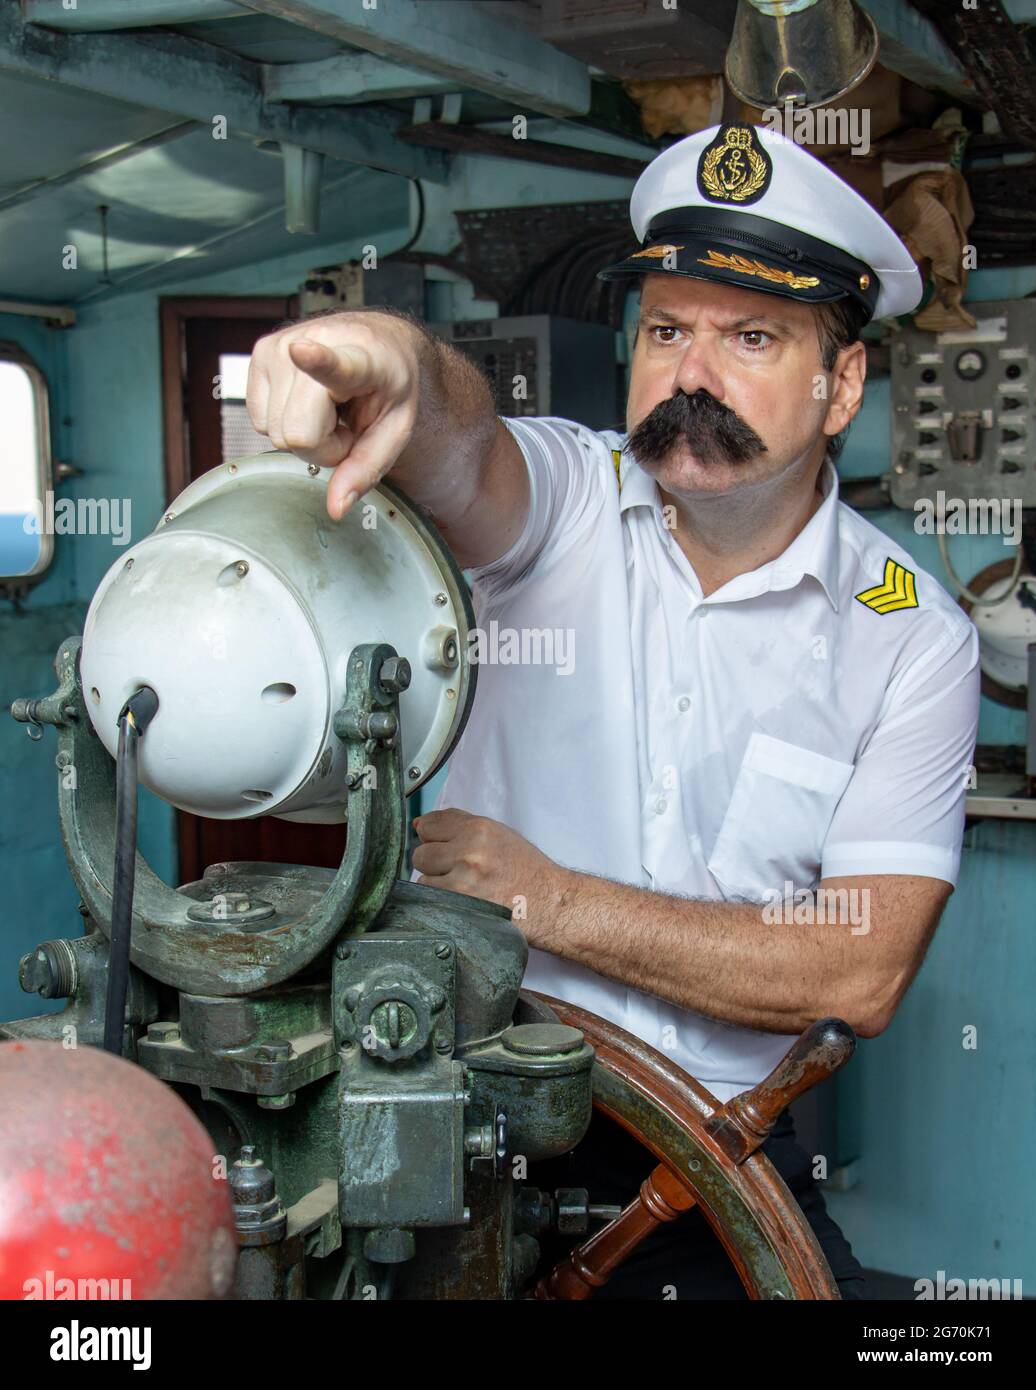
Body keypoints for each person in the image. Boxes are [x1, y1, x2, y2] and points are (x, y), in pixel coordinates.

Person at [246, 122, 980, 1299]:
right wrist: (391, 351)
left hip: (702, 1147)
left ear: (839, 385)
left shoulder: (909, 635)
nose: (692, 374)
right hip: (454, 1098)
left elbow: (856, 973)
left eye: (751, 337)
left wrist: (544, 898)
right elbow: (458, 441)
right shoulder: (568, 500)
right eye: (667, 331)